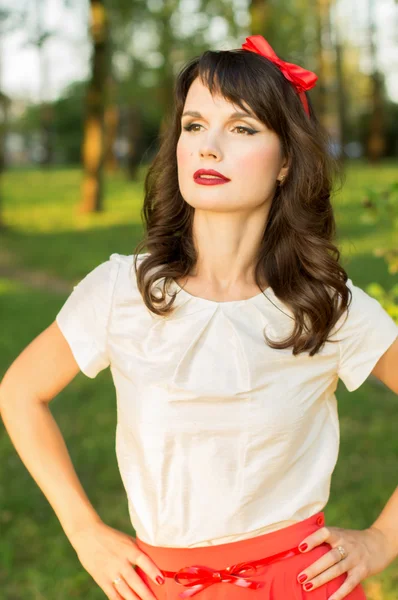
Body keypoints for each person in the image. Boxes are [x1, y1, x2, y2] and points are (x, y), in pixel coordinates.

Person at [1, 35, 398, 600]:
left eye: (241, 128)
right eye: (193, 125)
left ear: (286, 161)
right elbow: (19, 392)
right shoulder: (123, 290)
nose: (208, 147)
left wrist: (382, 540)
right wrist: (84, 530)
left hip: (301, 585)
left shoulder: (324, 305)